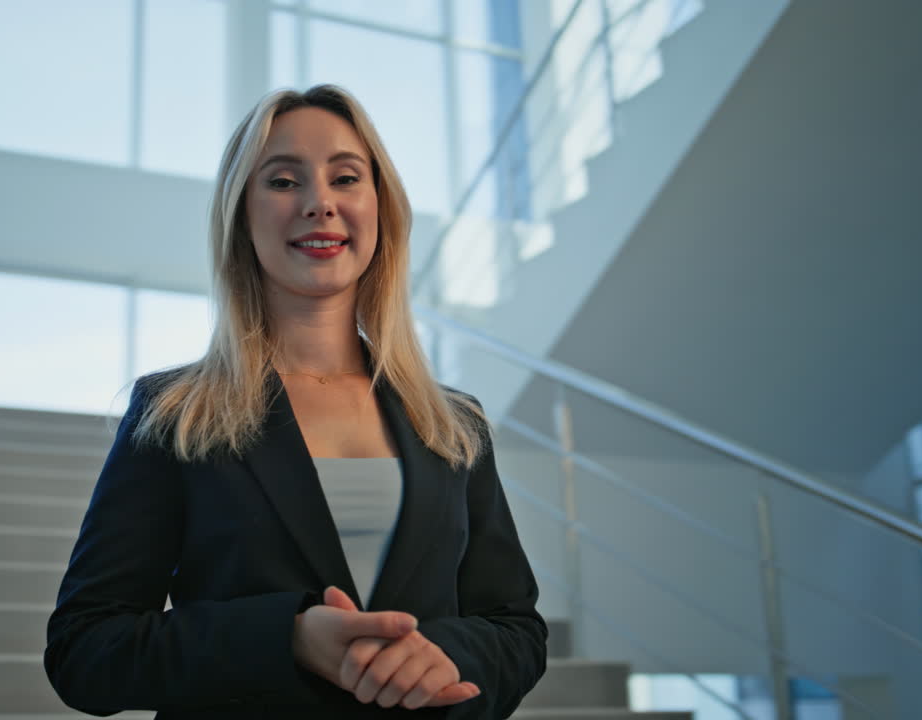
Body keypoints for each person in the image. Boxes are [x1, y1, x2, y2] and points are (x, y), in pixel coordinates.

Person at [44, 84, 547, 718]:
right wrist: (287, 638)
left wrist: (446, 655)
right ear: (241, 217)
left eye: (346, 178)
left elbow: (516, 629)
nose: (319, 204)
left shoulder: (455, 424)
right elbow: (85, 650)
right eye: (283, 182)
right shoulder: (173, 413)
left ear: (380, 208)